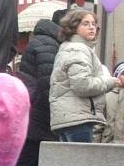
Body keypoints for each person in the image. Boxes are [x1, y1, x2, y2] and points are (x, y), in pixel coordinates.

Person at [49, 10, 119, 142]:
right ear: (73, 27)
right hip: (77, 118)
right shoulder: (78, 49)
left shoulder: (69, 47)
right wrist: (108, 82)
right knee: (81, 161)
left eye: (93, 23)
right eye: (85, 24)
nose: (92, 27)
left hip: (69, 117)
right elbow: (82, 85)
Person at [13, 15, 62, 166]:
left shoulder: (41, 41)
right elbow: (48, 84)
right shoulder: (48, 44)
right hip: (39, 120)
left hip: (32, 118)